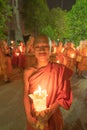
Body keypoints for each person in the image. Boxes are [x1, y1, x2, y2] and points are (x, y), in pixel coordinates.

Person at [23, 34, 73, 130]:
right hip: (35, 116)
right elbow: (26, 95)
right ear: (33, 49)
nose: (41, 50)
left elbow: (63, 96)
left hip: (52, 115)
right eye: (38, 47)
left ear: (50, 49)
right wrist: (29, 117)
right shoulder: (28, 72)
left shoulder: (59, 70)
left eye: (45, 46)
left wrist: (50, 111)